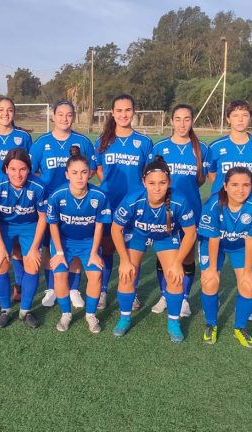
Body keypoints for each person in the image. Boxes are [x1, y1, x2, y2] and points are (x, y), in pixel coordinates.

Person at [110, 156, 197, 341]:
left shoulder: (179, 201)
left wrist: (178, 263)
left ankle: (173, 322)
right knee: (127, 274)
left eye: (162, 183)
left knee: (175, 277)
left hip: (166, 236)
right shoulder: (133, 199)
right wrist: (124, 260)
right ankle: (124, 318)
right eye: (151, 183)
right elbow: (116, 229)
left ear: (169, 182)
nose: (157, 188)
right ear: (144, 182)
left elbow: (191, 233)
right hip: (137, 234)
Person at [30, 100, 96, 309]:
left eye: (69, 115)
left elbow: (91, 168)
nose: (64, 118)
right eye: (60, 114)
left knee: (73, 244)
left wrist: (77, 187)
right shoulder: (42, 142)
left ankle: (73, 288)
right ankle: (51, 287)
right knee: (49, 246)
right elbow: (31, 170)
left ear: (73, 117)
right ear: (53, 116)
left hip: (76, 204)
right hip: (48, 204)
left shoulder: (82, 141)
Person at [206, 100, 252, 322]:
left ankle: (244, 305)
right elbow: (212, 174)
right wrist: (225, 193)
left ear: (250, 118)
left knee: (248, 273)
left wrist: (243, 192)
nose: (240, 119)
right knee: (211, 273)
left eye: (245, 115)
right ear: (228, 118)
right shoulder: (216, 146)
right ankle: (213, 301)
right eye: (236, 115)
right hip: (221, 209)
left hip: (247, 213)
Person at [94, 95, 154, 310]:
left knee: (132, 251)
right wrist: (110, 186)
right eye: (119, 110)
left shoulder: (144, 142)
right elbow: (98, 168)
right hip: (109, 204)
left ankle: (132, 291)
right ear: (112, 113)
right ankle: (102, 291)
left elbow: (149, 173)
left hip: (136, 205)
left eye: (127, 110)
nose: (123, 114)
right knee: (107, 249)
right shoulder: (102, 141)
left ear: (133, 111)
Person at [198, 167, 252, 348]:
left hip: (241, 246)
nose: (240, 190)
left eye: (246, 185)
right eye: (235, 184)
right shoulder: (214, 204)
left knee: (248, 284)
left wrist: (248, 272)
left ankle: (240, 327)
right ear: (225, 186)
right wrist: (211, 269)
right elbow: (213, 238)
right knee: (210, 281)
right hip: (215, 245)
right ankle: (211, 324)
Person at [150, 104, 210, 318]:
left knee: (187, 256)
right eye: (178, 119)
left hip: (191, 209)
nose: (182, 124)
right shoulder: (160, 147)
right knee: (163, 254)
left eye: (186, 119)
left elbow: (201, 179)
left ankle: (184, 298)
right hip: (163, 211)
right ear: (171, 121)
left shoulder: (201, 149)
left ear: (192, 121)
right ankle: (165, 295)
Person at [46, 146, 111, 333]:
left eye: (83, 172)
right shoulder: (57, 196)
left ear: (90, 173)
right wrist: (59, 252)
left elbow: (99, 225)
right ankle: (66, 313)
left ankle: (90, 315)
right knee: (59, 274)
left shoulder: (99, 196)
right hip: (64, 242)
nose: (79, 177)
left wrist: (94, 252)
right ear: (67, 174)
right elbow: (53, 225)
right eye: (74, 173)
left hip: (88, 242)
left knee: (96, 274)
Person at [0, 97, 33, 302]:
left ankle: (18, 286)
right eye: (1, 110)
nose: (5, 114)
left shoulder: (23, 137)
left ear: (14, 113)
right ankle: (1, 287)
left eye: (9, 110)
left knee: (17, 246)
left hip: (18, 195)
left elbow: (28, 164)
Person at [0, 148, 48, 328]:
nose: (18, 174)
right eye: (13, 169)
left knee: (33, 262)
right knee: (0, 262)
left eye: (22, 169)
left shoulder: (38, 186)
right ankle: (5, 309)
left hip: (29, 225)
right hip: (3, 226)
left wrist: (35, 248)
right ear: (6, 169)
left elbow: (43, 218)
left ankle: (25, 310)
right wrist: (0, 246)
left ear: (29, 169)